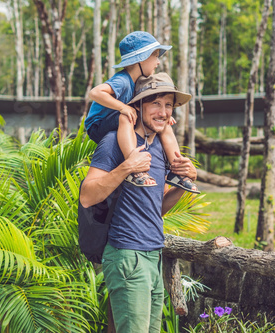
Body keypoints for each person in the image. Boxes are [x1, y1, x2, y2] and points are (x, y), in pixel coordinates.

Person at [80, 73, 198, 332]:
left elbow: (156, 209)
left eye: (168, 105)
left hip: (153, 253)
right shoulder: (114, 143)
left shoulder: (159, 148)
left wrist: (183, 184)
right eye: (155, 103)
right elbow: (87, 196)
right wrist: (125, 168)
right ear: (137, 106)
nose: (163, 112)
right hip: (126, 255)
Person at [85, 31, 199, 193]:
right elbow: (95, 93)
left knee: (164, 125)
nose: (158, 62)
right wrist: (122, 107)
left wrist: (164, 115)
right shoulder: (123, 80)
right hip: (98, 124)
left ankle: (178, 169)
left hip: (115, 119)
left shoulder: (137, 82)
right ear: (142, 58)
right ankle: (135, 165)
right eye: (155, 56)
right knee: (126, 115)